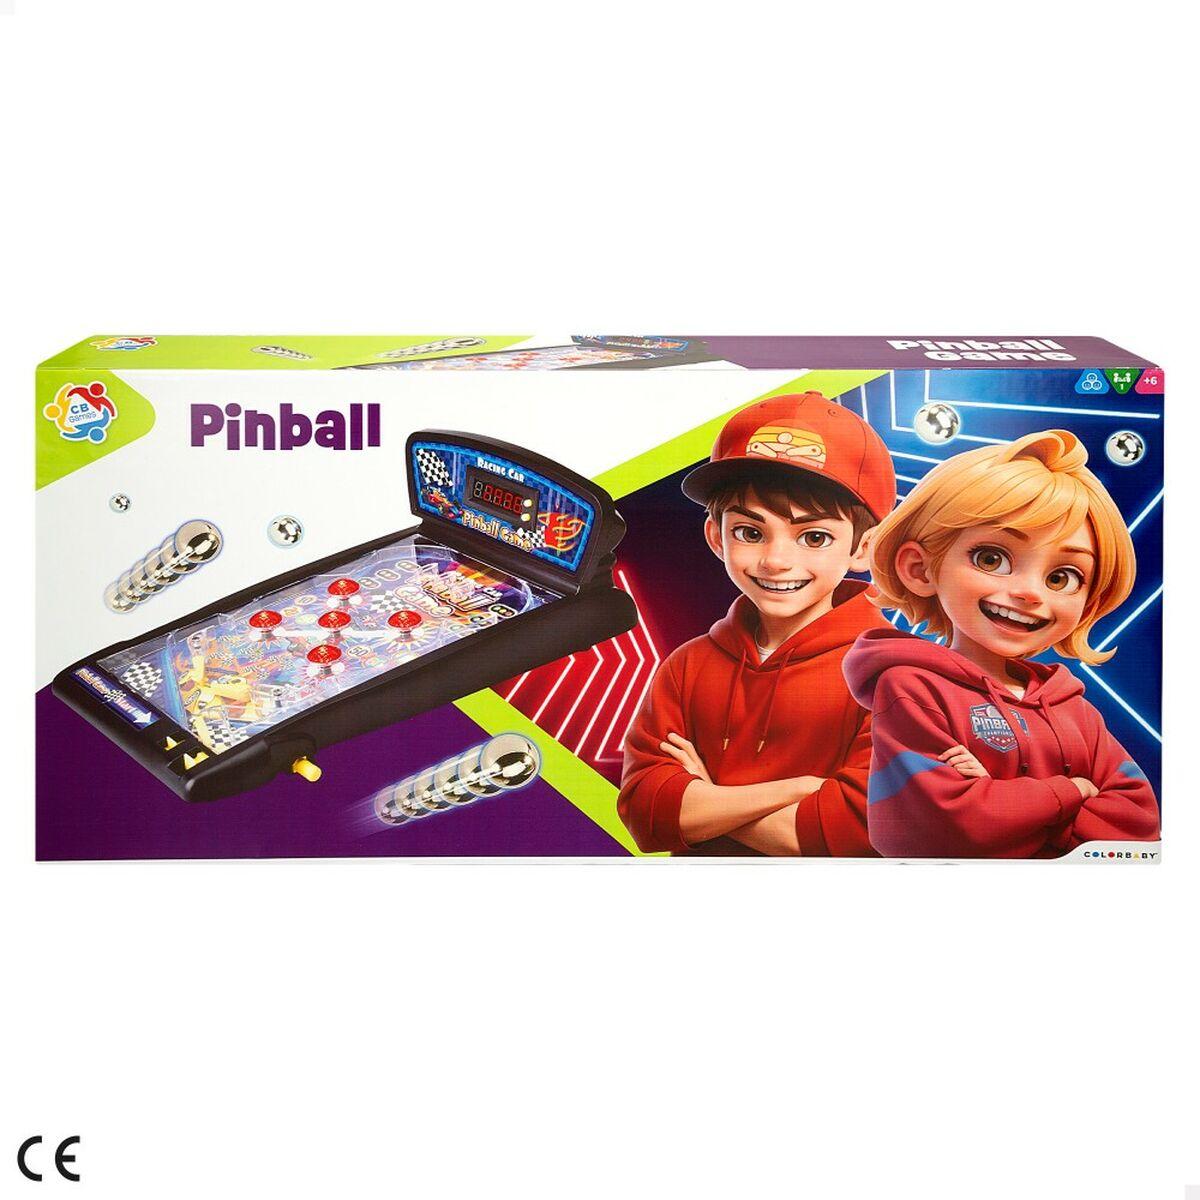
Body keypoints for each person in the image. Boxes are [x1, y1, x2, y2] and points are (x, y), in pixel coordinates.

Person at [842, 429, 1159, 858]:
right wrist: (1071, 792)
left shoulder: (1076, 709)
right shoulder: (912, 689)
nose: (1030, 593)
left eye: (1061, 577)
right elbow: (933, 828)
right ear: (919, 568)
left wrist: (1000, 801)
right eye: (991, 558)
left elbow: (1138, 820)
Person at [618, 392, 896, 855]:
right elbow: (646, 813)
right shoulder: (686, 665)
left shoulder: (895, 674)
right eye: (750, 532)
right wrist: (799, 790)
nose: (776, 560)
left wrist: (708, 798)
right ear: (716, 537)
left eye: (814, 537)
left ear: (864, 548)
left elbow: (859, 836)